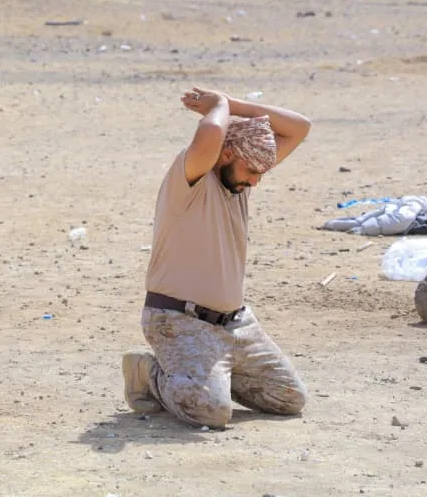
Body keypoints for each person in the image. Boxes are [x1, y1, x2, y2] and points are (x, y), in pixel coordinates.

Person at [122, 86, 311, 428]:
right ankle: (148, 374)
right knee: (212, 412)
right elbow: (210, 132)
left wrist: (235, 103)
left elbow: (300, 127)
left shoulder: (238, 181)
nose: (254, 181)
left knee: (288, 398)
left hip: (237, 324)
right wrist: (219, 106)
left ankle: (210, 378)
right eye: (251, 171)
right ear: (225, 156)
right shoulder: (191, 179)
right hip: (180, 322)